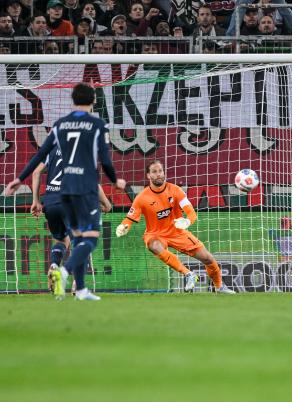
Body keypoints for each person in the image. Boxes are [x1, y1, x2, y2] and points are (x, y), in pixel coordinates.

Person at [5, 83, 126, 301]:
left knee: (75, 239)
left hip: (61, 194)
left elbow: (40, 154)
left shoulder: (60, 125)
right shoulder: (96, 124)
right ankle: (64, 271)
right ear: (94, 101)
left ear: (72, 100)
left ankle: (80, 290)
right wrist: (116, 180)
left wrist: (18, 178)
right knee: (89, 240)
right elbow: (105, 161)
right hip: (83, 192)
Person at [115, 160, 235, 294]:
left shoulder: (176, 190)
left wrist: (187, 221)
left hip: (177, 232)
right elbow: (130, 218)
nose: (158, 174)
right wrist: (124, 226)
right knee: (153, 245)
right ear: (148, 176)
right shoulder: (142, 197)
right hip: (156, 234)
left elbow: (191, 213)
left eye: (160, 171)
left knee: (207, 258)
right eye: (154, 172)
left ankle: (219, 286)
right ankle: (188, 274)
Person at [30, 147, 112, 293]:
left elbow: (36, 173)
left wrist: (36, 201)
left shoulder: (52, 150)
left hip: (50, 204)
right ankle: (77, 284)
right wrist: (106, 202)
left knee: (62, 240)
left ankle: (54, 265)